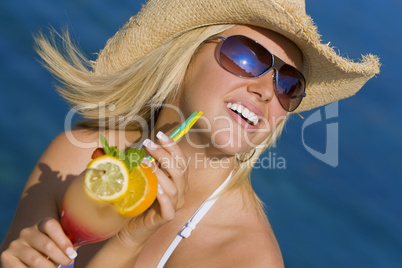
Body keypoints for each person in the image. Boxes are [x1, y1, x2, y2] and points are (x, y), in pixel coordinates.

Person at [0, 0, 380, 267]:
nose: (266, 90)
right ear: (185, 57)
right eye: (246, 56)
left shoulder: (246, 258)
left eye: (289, 86)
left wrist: (131, 239)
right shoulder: (78, 156)